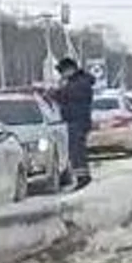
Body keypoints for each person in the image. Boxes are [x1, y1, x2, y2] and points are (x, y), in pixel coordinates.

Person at [53, 57, 96, 189]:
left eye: (62, 72)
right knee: (76, 150)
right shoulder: (76, 82)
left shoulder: (80, 82)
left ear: (70, 69)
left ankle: (83, 177)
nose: (62, 75)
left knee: (77, 150)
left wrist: (57, 93)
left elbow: (68, 96)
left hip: (78, 120)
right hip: (75, 119)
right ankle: (81, 175)